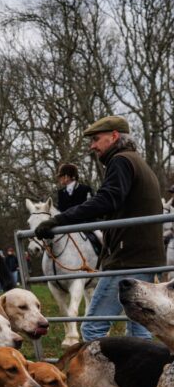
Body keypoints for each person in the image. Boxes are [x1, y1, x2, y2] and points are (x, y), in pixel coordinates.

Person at [35, 115, 164, 343]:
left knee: (93, 327)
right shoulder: (137, 161)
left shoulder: (121, 161)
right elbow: (117, 205)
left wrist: (59, 221)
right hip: (146, 256)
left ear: (114, 137)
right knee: (138, 327)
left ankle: (97, 379)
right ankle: (141, 378)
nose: (92, 146)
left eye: (96, 139)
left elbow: (107, 200)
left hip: (127, 257)